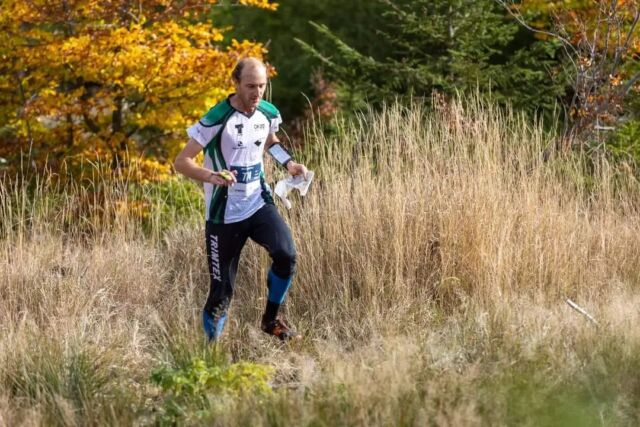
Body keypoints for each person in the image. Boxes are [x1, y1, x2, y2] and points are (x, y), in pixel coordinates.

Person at [174, 57, 308, 342]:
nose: (256, 93)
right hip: (224, 214)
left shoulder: (267, 112)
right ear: (236, 84)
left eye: (261, 86)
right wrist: (211, 176)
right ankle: (210, 355)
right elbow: (181, 161)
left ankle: (271, 320)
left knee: (287, 255)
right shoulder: (217, 117)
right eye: (250, 86)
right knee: (221, 292)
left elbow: (269, 140)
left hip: (258, 202)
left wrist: (290, 165)